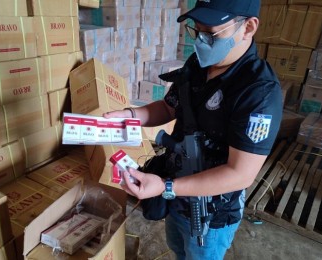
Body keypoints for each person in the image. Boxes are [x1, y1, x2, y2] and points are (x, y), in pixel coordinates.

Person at [104, 0, 283, 259]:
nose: (200, 41)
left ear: (248, 27)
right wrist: (131, 115)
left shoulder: (258, 92)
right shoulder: (197, 65)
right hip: (175, 192)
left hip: (211, 213)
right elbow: (169, 108)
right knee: (178, 249)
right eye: (196, 31)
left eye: (210, 34)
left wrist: (166, 186)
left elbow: (241, 174)